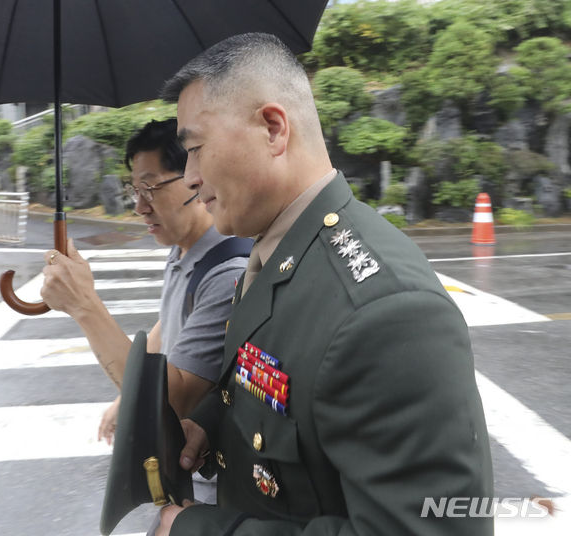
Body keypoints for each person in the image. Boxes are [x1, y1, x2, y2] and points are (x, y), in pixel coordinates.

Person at [156, 33, 494, 535]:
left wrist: (199, 532)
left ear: (273, 129)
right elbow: (279, 384)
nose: (189, 176)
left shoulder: (386, 313)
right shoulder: (279, 251)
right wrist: (212, 422)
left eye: (196, 149)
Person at [39, 118, 248, 507]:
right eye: (134, 189)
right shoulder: (184, 248)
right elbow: (167, 328)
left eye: (150, 187)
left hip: (209, 497)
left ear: (194, 176)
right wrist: (124, 399)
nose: (138, 206)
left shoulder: (227, 273)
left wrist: (85, 305)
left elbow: (175, 402)